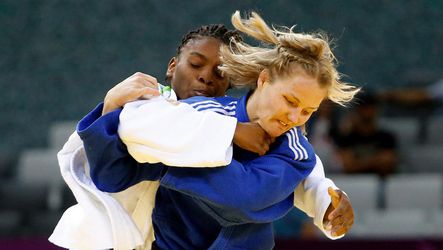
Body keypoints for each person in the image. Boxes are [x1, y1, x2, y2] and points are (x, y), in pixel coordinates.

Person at [76, 11, 359, 249]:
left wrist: (166, 163)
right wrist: (228, 132)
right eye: (290, 101)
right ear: (264, 80)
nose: (296, 117)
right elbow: (112, 173)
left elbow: (247, 196)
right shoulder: (190, 114)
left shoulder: (295, 150)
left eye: (308, 111)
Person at [335, 92, 398, 176]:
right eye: (364, 107)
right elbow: (348, 166)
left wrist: (359, 163)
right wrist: (375, 161)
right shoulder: (346, 138)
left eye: (371, 107)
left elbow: (387, 164)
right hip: (354, 183)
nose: (367, 111)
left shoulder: (386, 137)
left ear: (376, 109)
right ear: (357, 110)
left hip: (381, 182)